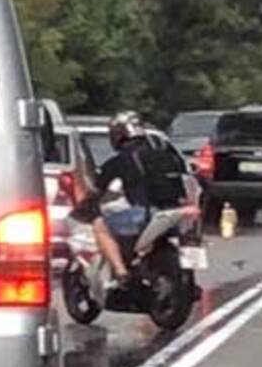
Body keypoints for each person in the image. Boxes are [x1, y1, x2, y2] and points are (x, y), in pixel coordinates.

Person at [72, 113, 199, 287]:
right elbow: (189, 178)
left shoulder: (122, 158)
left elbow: (96, 190)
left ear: (119, 134)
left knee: (100, 225)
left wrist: (81, 210)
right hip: (179, 211)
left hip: (146, 213)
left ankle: (121, 271)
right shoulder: (166, 153)